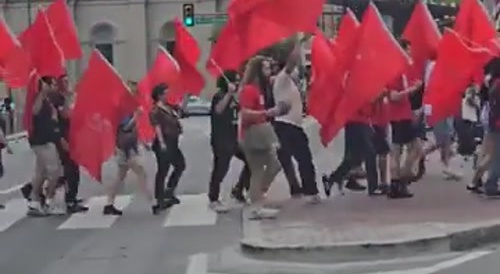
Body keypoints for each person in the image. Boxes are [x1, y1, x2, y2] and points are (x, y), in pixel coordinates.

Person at [271, 36, 321, 204]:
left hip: (291, 125)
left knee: (297, 159)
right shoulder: (282, 79)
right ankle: (310, 192)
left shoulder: (289, 83)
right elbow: (291, 62)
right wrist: (298, 43)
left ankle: (304, 189)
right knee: (304, 158)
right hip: (287, 126)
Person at [238, 55, 284, 220]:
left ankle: (257, 195)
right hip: (253, 133)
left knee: (274, 165)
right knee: (258, 170)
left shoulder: (259, 89)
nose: (268, 71)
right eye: (265, 68)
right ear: (257, 71)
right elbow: (244, 113)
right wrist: (265, 113)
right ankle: (256, 204)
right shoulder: (249, 89)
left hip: (261, 130)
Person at [104, 105, 168, 215]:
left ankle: (109, 204)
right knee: (141, 174)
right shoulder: (121, 111)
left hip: (127, 147)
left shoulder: (127, 110)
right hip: (127, 150)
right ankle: (153, 204)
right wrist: (136, 116)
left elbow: (133, 130)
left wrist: (142, 141)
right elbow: (125, 128)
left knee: (121, 176)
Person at [208, 71, 250, 212]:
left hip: (233, 139)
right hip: (221, 140)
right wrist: (229, 94)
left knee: (250, 160)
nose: (237, 83)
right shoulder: (219, 96)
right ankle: (213, 199)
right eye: (235, 81)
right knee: (221, 169)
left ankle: (239, 189)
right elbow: (219, 110)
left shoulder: (233, 98)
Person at [387, 40, 423, 198]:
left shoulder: (398, 69)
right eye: (408, 49)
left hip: (399, 115)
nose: (410, 52)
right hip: (401, 116)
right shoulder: (397, 71)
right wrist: (412, 89)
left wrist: (413, 89)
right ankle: (401, 180)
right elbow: (394, 96)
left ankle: (395, 184)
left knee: (396, 150)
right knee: (415, 148)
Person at [27, 76, 65, 216]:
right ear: (44, 85)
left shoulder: (49, 101)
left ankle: (34, 202)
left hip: (48, 139)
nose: (55, 87)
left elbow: (53, 119)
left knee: (41, 173)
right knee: (55, 171)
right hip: (40, 140)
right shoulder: (38, 98)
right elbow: (34, 111)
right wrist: (42, 93)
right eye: (52, 84)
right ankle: (48, 201)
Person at [149, 84, 186, 206]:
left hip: (173, 142)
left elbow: (180, 113)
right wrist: (162, 143)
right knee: (163, 170)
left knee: (180, 165)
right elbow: (157, 127)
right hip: (164, 142)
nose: (168, 95)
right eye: (166, 93)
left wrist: (185, 100)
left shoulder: (169, 107)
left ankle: (169, 190)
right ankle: (159, 199)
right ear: (159, 95)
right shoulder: (156, 110)